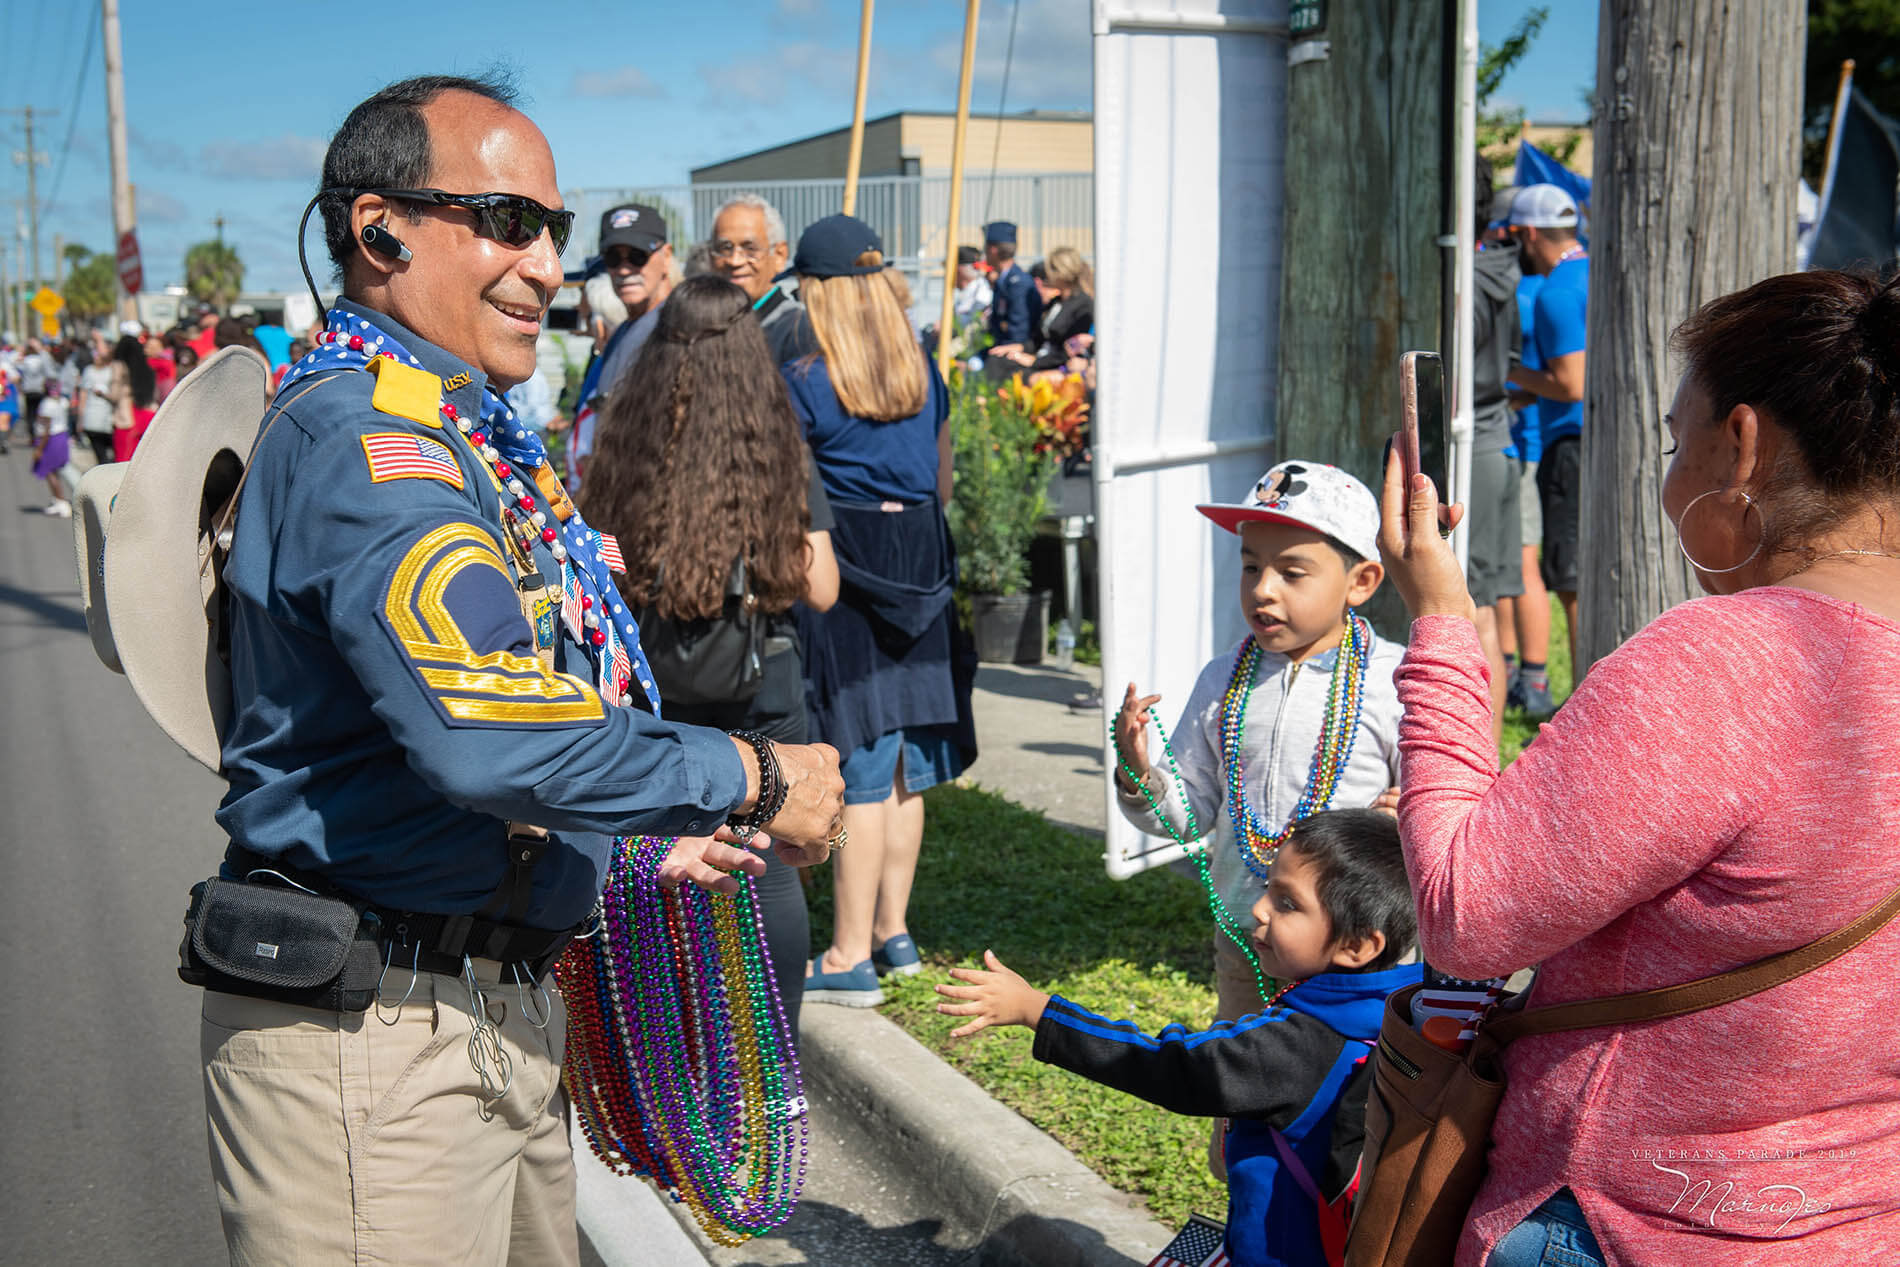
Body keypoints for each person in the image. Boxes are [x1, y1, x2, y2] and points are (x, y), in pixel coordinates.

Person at [204, 73, 845, 1265]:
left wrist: (637, 845)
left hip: (474, 1012)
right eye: (506, 220)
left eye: (552, 228)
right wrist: (751, 775)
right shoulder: (374, 445)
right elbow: (490, 732)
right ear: (376, 228)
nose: (547, 264)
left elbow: (454, 746)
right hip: (379, 1045)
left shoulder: (457, 431)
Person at [1377, 267, 1900, 1265]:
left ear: (1738, 444)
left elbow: (1465, 912)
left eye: (1674, 440)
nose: (1671, 473)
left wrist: (1442, 622)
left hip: (1625, 1220)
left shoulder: (1724, 661)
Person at [936, 809, 1423, 1267]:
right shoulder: (1409, 1009)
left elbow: (1171, 1066)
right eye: (1268, 888)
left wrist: (1037, 1011)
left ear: (1358, 946)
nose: (1258, 909)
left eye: (1287, 902)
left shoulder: (1293, 1046)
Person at [580, 273, 841, 1034]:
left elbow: (601, 567)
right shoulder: (777, 446)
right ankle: (764, 1055)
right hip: (763, 695)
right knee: (770, 858)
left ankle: (667, 1056)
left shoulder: (623, 443)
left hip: (662, 699)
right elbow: (820, 586)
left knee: (664, 864)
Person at [1112, 460, 1404, 1021]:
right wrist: (1139, 775)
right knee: (1243, 1069)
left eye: (1292, 573)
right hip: (1250, 936)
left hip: (1354, 953)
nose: (1262, 590)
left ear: (1360, 582)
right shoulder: (1222, 680)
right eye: (1251, 568)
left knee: (1353, 1085)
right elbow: (1190, 815)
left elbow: (1443, 808)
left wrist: (1403, 818)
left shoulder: (1395, 682)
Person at [783, 213, 971, 1007]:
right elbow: (945, 482)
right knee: (906, 764)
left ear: (817, 292)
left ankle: (847, 952)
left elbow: (795, 508)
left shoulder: (804, 382)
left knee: (858, 758)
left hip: (847, 568)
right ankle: (894, 934)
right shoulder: (927, 371)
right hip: (923, 560)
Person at [1505, 184, 1587, 672]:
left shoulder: (1556, 289)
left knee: (1572, 585)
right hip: (1607, 442)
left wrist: (1508, 372)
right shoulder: (1597, 270)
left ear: (1529, 233)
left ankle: (1584, 699)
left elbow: (1570, 384)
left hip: (1570, 446)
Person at [1463, 156, 1525, 750]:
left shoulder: (1471, 277)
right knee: (1482, 612)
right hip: (1493, 442)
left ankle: (1480, 761)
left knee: (1477, 613)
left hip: (1479, 446)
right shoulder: (1497, 270)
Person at [705, 193, 817, 365]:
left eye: (750, 248)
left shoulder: (797, 330)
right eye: (725, 248)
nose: (735, 261)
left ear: (779, 255)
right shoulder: (703, 326)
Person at [587, 202, 675, 405]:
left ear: (666, 256)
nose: (624, 270)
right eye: (613, 258)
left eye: (638, 256)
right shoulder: (622, 332)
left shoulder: (680, 326)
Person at [983, 220, 1041, 357]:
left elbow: (1018, 332)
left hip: (1016, 351)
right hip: (1002, 345)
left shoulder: (1018, 283)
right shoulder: (1004, 280)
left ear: (993, 250)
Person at [109, 333, 156, 462]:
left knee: (124, 463)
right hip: (147, 416)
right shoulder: (147, 368)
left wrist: (102, 395)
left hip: (128, 418)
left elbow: (114, 395)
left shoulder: (120, 367)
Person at [31, 384, 74, 516]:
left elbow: (46, 429)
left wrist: (39, 449)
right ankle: (57, 501)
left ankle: (61, 502)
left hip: (50, 440)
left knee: (49, 471)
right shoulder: (62, 401)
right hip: (61, 436)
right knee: (53, 471)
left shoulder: (47, 404)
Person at [78, 330, 118, 465]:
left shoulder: (112, 369)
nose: (97, 357)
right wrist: (80, 419)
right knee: (101, 458)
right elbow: (83, 395)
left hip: (109, 419)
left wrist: (99, 339)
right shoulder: (88, 370)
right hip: (92, 419)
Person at [951, 245, 992, 328]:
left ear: (960, 269)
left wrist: (947, 325)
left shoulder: (982, 291)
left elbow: (972, 320)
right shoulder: (967, 290)